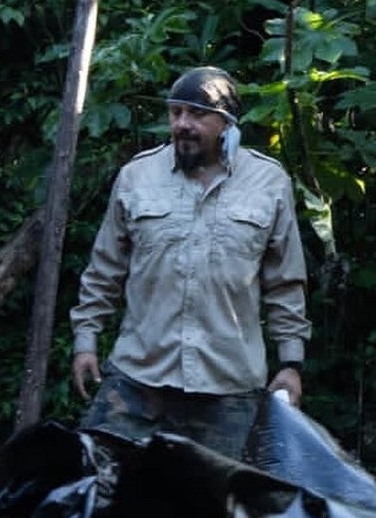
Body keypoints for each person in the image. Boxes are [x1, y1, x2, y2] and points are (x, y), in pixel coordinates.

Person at [69, 65, 311, 459]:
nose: (182, 124)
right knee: (96, 486)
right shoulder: (137, 177)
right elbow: (103, 270)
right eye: (176, 112)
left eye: (197, 114)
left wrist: (291, 364)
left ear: (226, 123)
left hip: (227, 388)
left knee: (209, 510)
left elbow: (285, 283)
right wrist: (85, 342)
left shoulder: (269, 184)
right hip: (138, 379)